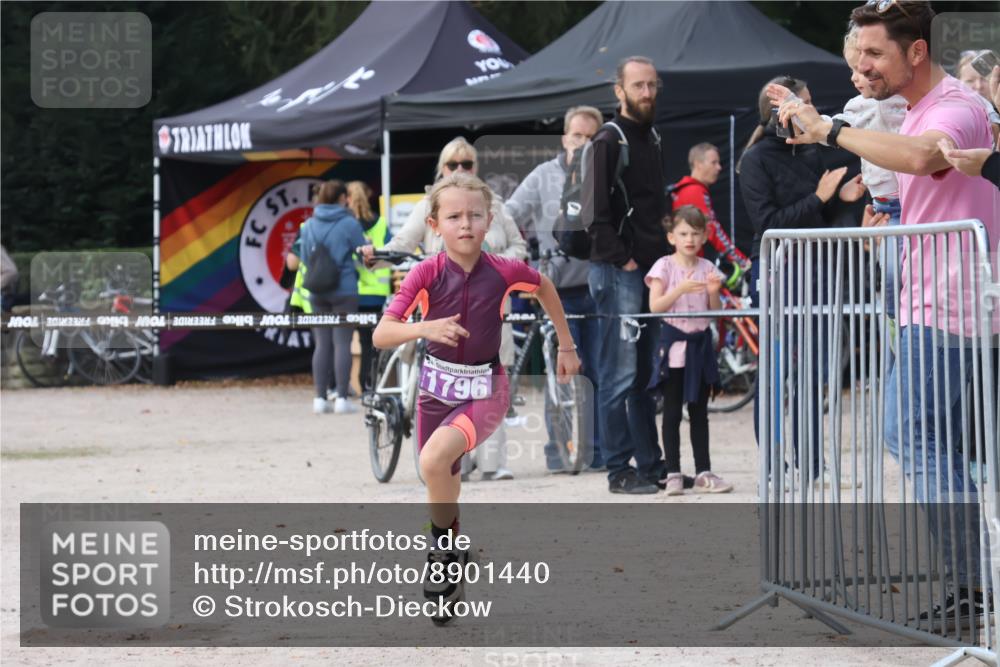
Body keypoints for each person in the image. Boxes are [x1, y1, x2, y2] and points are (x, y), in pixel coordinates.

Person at [777, 0, 1000, 620]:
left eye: (874, 54)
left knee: (914, 435)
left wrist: (831, 132)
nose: (863, 67)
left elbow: (925, 157)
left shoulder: (954, 105)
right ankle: (972, 589)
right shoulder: (919, 106)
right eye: (857, 56)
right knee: (942, 445)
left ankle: (972, 593)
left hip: (952, 306)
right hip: (938, 303)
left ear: (917, 52)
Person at [372, 173, 580, 625]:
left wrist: (566, 345)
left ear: (489, 223)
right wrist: (425, 327)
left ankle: (441, 554)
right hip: (435, 390)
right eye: (453, 216)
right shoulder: (425, 272)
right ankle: (450, 554)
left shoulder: (504, 270)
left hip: (487, 388)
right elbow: (382, 333)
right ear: (434, 225)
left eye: (474, 215)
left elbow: (544, 286)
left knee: (431, 462)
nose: (464, 223)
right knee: (442, 479)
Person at [363, 137, 528, 481]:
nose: (459, 170)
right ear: (441, 167)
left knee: (494, 380)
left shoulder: (494, 204)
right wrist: (377, 256)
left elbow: (518, 246)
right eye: (453, 164)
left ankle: (494, 464)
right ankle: (455, 462)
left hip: (491, 309)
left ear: (476, 167)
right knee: (447, 385)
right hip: (442, 310)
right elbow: (402, 244)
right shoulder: (430, 205)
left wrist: (497, 268)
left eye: (467, 164)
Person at [738, 74, 848, 484]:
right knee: (777, 373)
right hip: (775, 275)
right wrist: (819, 198)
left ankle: (812, 463)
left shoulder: (812, 152)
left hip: (815, 271)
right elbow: (767, 224)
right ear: (782, 110)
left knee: (814, 372)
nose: (812, 110)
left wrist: (840, 199)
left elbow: (819, 217)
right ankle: (773, 463)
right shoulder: (754, 160)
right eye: (805, 103)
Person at [581, 56, 669, 495]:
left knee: (642, 376)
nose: (647, 93)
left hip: (651, 272)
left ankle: (650, 464)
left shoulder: (651, 136)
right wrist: (625, 261)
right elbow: (592, 216)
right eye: (638, 86)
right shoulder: (606, 141)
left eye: (652, 85)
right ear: (619, 90)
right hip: (619, 273)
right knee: (618, 374)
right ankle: (618, 468)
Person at [504, 104, 605, 473]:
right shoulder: (543, 175)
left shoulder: (605, 176)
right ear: (565, 138)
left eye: (591, 138)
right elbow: (510, 212)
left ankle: (597, 452)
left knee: (597, 371)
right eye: (577, 136)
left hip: (596, 286)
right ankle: (557, 451)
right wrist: (522, 259)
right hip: (554, 287)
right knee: (559, 372)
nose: (582, 143)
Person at [646, 206, 734, 496]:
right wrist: (680, 289)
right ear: (672, 237)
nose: (690, 239)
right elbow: (655, 307)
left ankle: (703, 470)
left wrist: (711, 291)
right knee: (671, 412)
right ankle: (672, 471)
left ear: (705, 236)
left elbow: (716, 312)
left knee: (699, 412)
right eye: (683, 233)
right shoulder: (663, 267)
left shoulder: (708, 268)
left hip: (700, 346)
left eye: (696, 233)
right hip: (674, 348)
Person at [287, 180, 367, 415]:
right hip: (344, 289)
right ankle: (342, 397)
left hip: (316, 290)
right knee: (342, 343)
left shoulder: (309, 224)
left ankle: (319, 398)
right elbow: (362, 255)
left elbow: (300, 257)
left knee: (321, 344)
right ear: (343, 198)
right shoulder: (349, 224)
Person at [670, 142, 750, 272]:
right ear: (697, 164)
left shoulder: (683, 190)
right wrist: (743, 263)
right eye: (714, 163)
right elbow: (714, 231)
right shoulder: (694, 191)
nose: (719, 167)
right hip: (689, 269)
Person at [347, 181, 391, 394]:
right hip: (376, 295)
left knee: (341, 340)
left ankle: (339, 388)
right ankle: (368, 385)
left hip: (350, 293)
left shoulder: (346, 225)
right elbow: (393, 254)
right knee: (368, 342)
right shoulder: (381, 224)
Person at [939, 65, 1000, 186]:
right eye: (970, 81)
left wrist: (989, 165)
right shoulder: (950, 116)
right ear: (958, 83)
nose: (978, 86)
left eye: (984, 79)